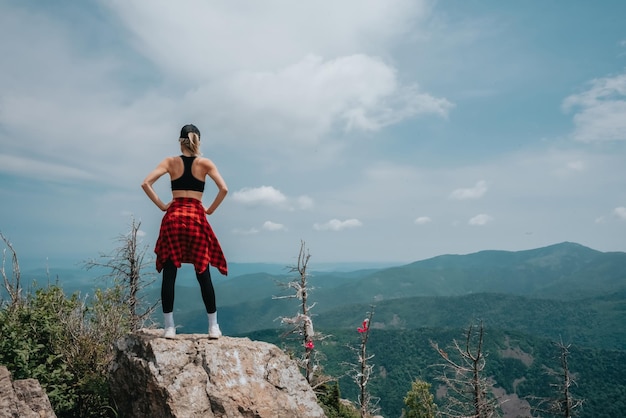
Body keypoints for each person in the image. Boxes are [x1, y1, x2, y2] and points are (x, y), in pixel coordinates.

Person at [141, 124, 228, 339]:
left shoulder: (170, 162)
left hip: (174, 218)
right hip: (196, 218)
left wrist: (162, 205)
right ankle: (213, 327)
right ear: (198, 140)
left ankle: (169, 328)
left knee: (170, 273)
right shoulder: (205, 163)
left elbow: (146, 183)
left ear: (180, 141)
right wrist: (210, 210)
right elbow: (224, 189)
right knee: (202, 272)